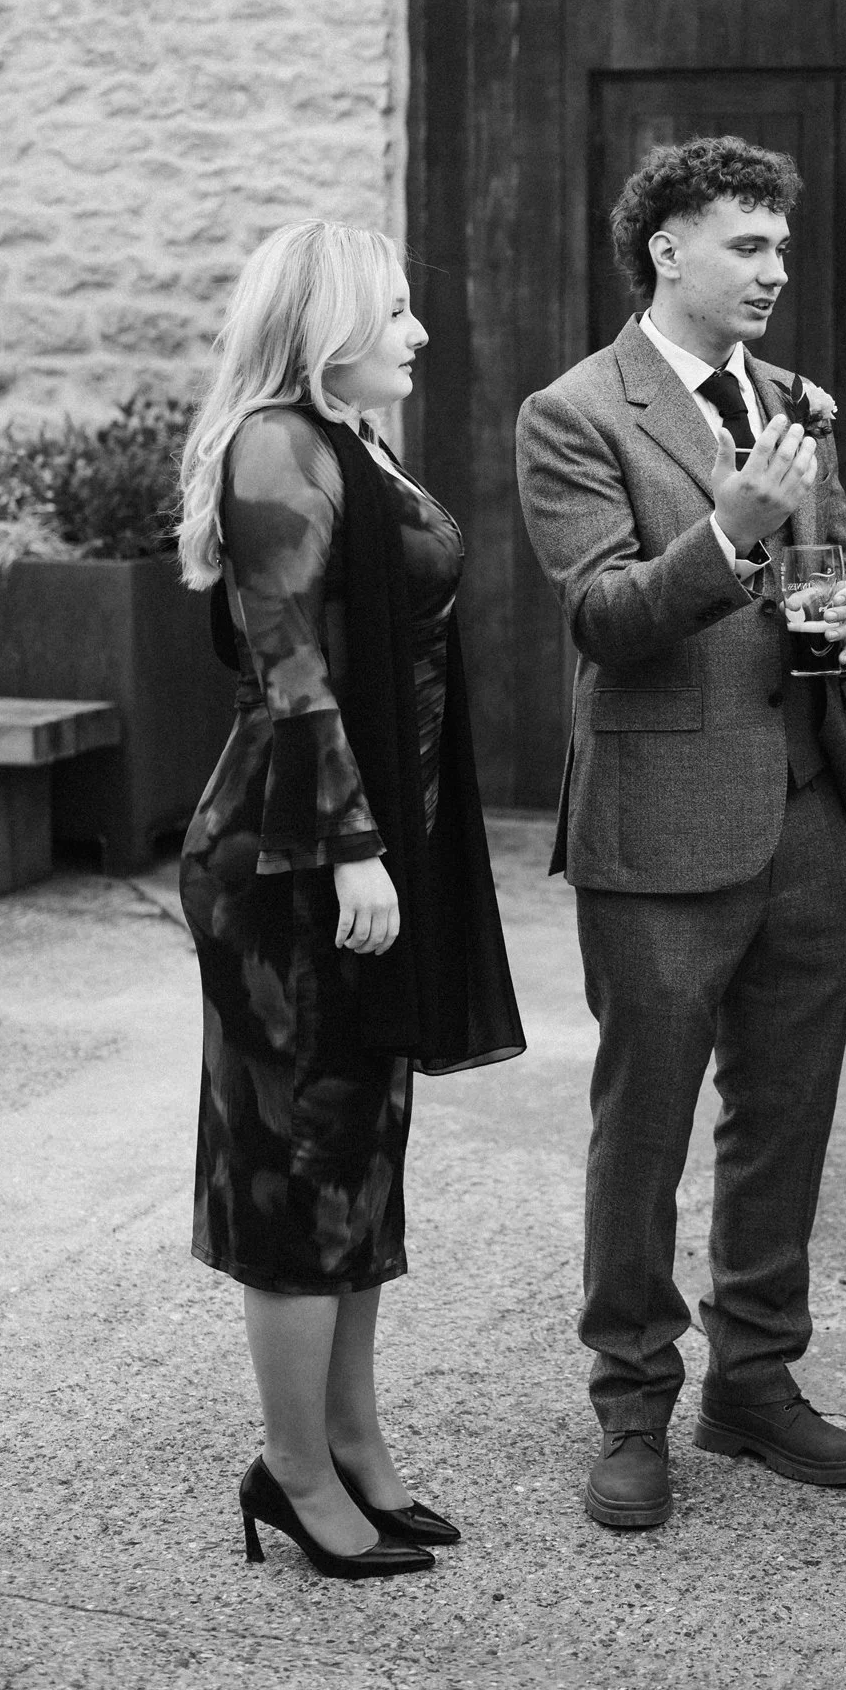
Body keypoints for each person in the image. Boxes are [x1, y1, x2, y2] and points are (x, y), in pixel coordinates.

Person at [516, 135, 846, 1531]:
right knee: (646, 1125)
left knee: (786, 1114)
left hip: (804, 809)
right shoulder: (575, 412)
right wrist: (729, 537)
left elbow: (844, 556)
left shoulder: (791, 403)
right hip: (659, 822)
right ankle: (631, 1402)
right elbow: (605, 617)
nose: (776, 270)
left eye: (782, 246)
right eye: (749, 244)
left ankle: (757, 1381)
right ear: (667, 249)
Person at [178, 220, 525, 1579]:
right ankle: (295, 1471)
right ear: (324, 327)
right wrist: (352, 849)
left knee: (363, 1166)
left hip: (373, 845)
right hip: (294, 860)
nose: (417, 332)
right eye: (393, 311)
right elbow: (287, 665)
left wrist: (391, 848)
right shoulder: (278, 444)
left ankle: (357, 1449)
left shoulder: (352, 442)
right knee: (302, 1172)